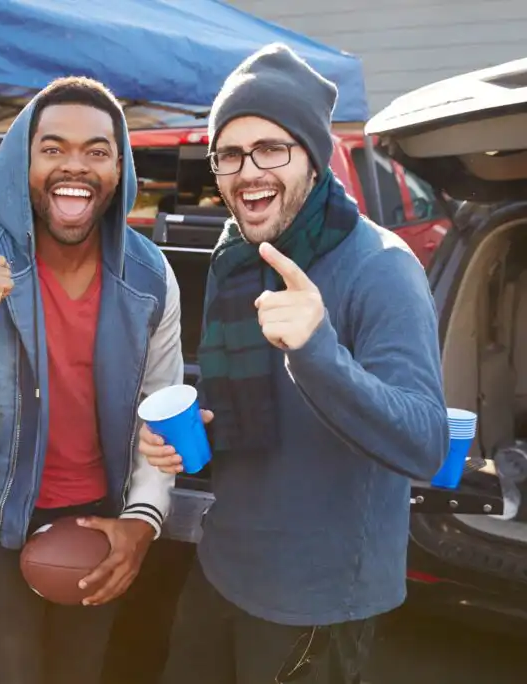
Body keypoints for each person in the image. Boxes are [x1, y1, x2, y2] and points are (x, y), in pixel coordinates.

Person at [139, 44, 448, 684]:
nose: (249, 172)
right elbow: (260, 417)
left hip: (316, 598)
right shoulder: (236, 260)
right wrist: (195, 433)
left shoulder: (382, 268)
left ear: (312, 154)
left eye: (272, 148)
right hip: (223, 566)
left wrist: (316, 351)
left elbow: (424, 444)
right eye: (230, 153)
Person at [0, 76, 182, 684]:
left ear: (120, 166)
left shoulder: (151, 277)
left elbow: (161, 404)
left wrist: (141, 520)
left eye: (97, 151)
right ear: (23, 160)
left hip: (100, 517)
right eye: (52, 148)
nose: (74, 166)